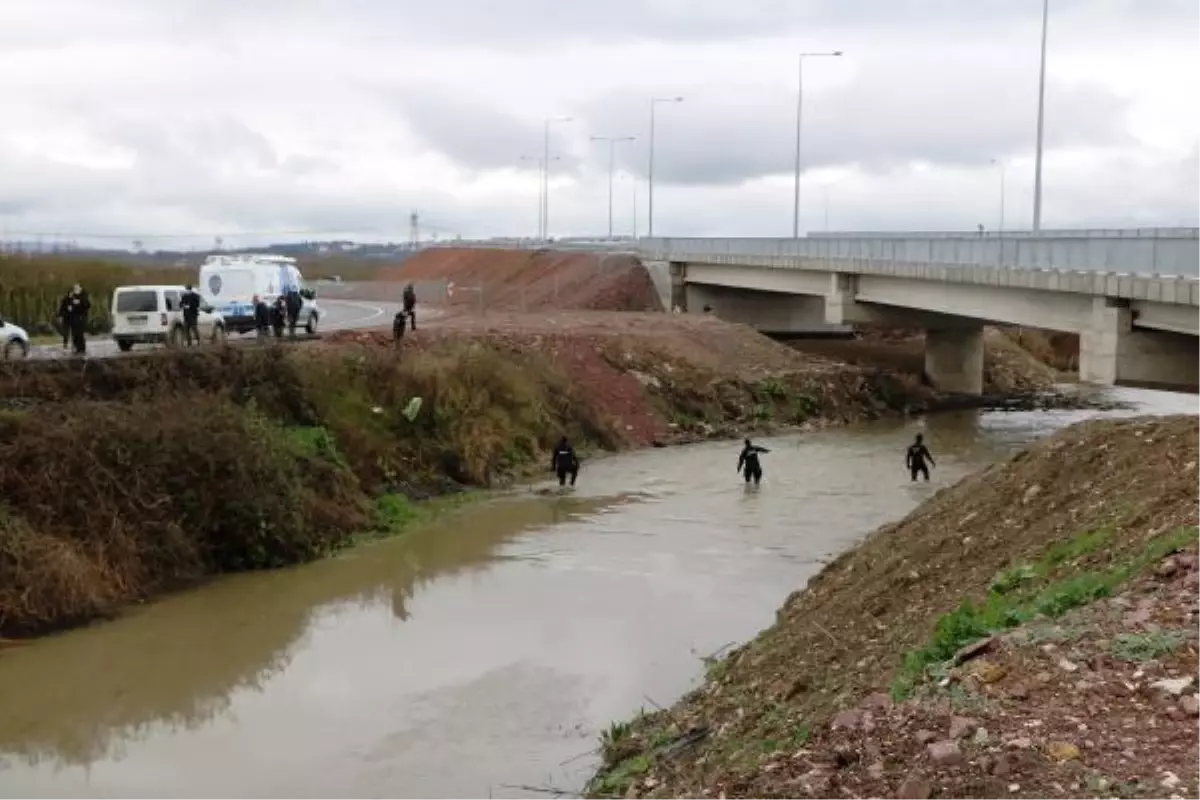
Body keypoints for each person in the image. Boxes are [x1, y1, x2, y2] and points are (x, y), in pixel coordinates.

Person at [65, 284, 90, 355]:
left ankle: (81, 348)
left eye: (77, 288)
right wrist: (69, 306)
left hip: (81, 317)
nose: (76, 290)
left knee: (80, 333)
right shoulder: (72, 296)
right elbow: (68, 303)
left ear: (80, 289)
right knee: (74, 333)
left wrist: (80, 302)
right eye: (75, 288)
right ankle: (76, 347)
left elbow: (87, 305)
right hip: (73, 317)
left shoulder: (84, 296)